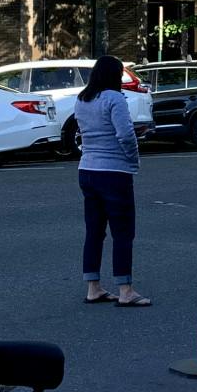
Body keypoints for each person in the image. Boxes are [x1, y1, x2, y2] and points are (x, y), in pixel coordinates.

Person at [73, 56, 149, 306]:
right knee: (123, 232)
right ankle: (125, 290)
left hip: (87, 169)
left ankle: (92, 287)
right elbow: (125, 134)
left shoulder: (82, 99)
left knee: (94, 231)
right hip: (114, 171)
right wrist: (133, 161)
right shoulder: (114, 98)